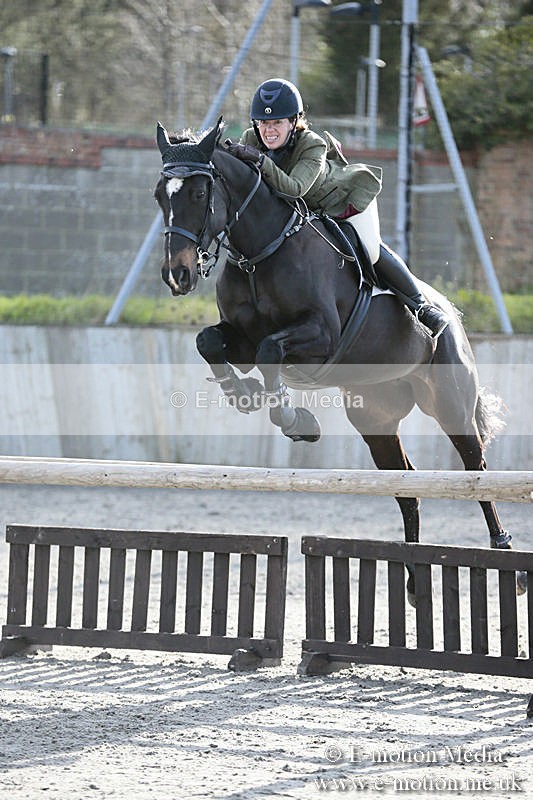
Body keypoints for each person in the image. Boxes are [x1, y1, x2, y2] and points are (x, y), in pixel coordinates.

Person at [225, 77, 450, 338]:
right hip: (300, 214)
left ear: (293, 122)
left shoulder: (312, 144)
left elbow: (294, 189)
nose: (269, 130)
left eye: (277, 122)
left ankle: (422, 309)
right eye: (264, 123)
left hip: (340, 204)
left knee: (370, 248)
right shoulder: (250, 139)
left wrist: (260, 161)